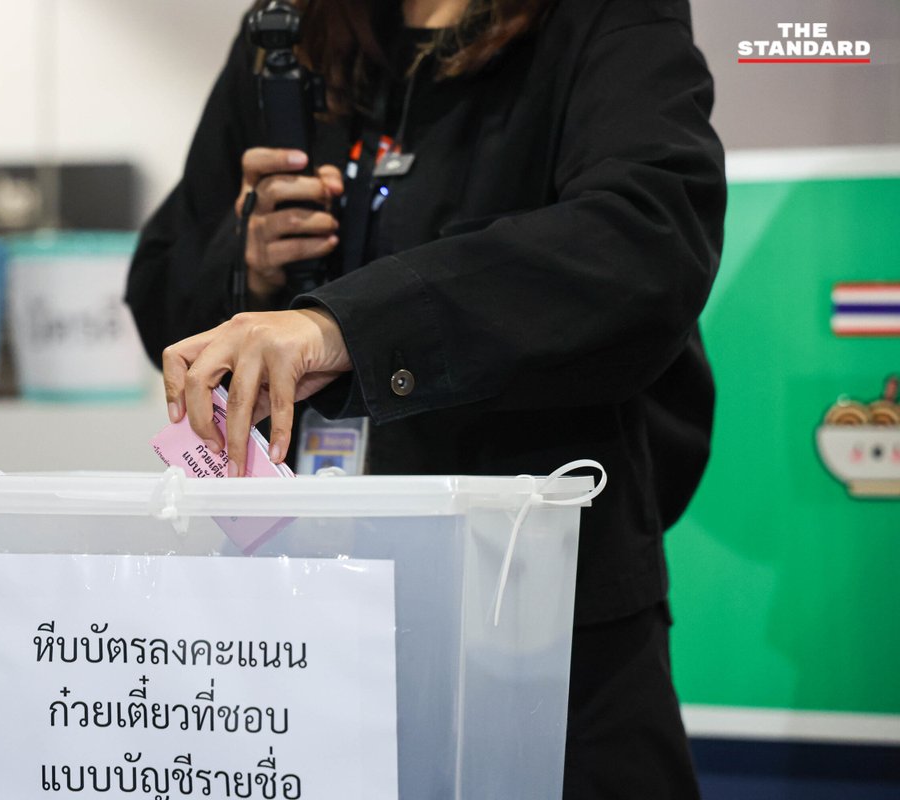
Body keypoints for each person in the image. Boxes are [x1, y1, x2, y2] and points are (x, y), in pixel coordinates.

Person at [125, 0, 725, 796]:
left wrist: (345, 326)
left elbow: (647, 242)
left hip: (543, 623)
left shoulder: (600, 16)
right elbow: (163, 296)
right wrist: (248, 263)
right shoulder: (291, 27)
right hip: (296, 623)